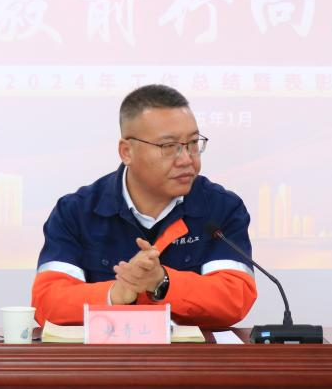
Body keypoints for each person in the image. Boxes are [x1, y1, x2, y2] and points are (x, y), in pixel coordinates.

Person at [32, 84, 257, 329]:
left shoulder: (222, 207)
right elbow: (47, 302)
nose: (187, 159)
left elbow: (235, 298)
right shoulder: (76, 212)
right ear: (126, 152)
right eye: (169, 147)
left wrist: (162, 282)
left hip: (193, 353)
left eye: (193, 143)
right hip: (105, 353)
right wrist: (116, 293)